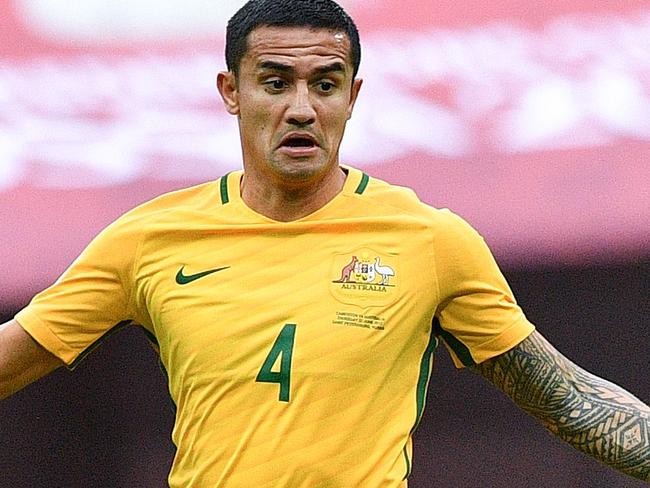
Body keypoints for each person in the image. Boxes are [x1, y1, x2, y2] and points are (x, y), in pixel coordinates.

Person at [1, 0, 649, 486]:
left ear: (353, 96)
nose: (303, 108)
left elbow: (571, 400)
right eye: (276, 83)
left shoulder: (428, 240)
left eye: (326, 83)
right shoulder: (147, 240)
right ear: (232, 92)